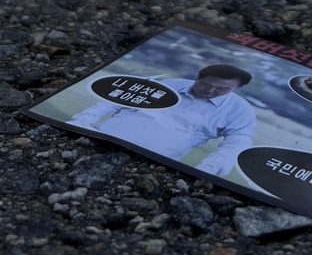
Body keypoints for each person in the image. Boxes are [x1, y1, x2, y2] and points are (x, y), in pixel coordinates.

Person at [68, 64, 254, 177]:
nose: (210, 91)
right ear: (198, 77)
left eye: (221, 89)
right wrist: (82, 121)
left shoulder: (240, 110)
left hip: (151, 162)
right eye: (205, 84)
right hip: (101, 138)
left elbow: (237, 143)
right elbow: (112, 102)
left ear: (237, 88)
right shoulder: (170, 84)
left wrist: (210, 169)